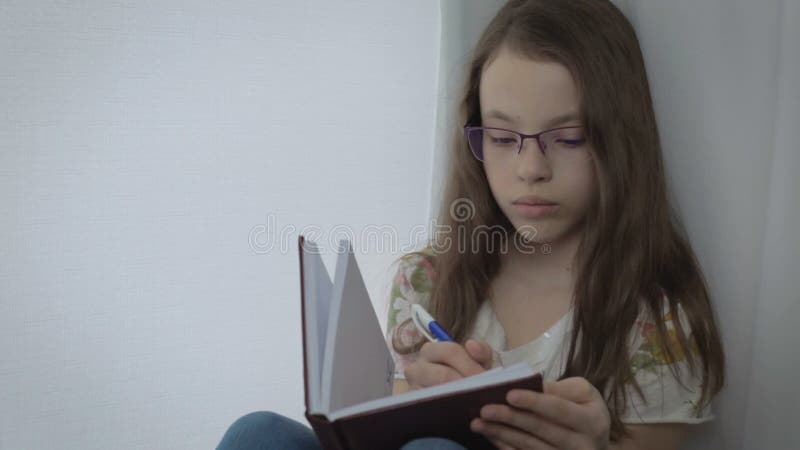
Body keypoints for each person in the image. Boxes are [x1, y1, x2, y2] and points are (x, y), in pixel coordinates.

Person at [216, 0, 725, 448]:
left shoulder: (660, 325)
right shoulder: (423, 282)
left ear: (620, 141)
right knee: (256, 433)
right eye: (503, 138)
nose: (530, 169)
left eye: (567, 138)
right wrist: (402, 398)